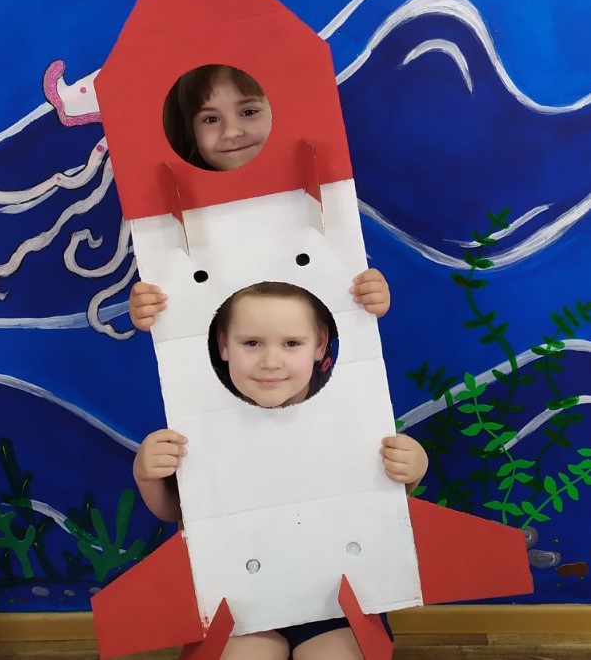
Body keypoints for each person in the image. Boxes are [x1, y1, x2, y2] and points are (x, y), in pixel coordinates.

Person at [133, 282, 428, 660]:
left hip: (333, 600)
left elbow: (380, 503)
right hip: (239, 599)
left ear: (319, 345)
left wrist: (413, 467)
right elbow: (175, 511)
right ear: (223, 344)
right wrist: (147, 475)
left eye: (291, 343)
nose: (270, 361)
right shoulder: (202, 420)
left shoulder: (349, 414)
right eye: (251, 343)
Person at [130, 63, 391, 328]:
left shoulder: (319, 188)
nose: (231, 132)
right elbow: (179, 301)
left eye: (249, 112)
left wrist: (370, 294)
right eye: (210, 119)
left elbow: (339, 279)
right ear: (191, 130)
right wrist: (148, 308)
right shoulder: (174, 201)